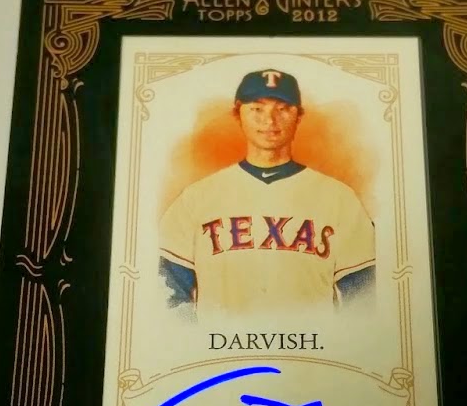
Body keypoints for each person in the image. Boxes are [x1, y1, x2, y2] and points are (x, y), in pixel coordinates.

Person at [158, 69, 375, 317]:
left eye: (282, 108)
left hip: (309, 339)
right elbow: (168, 292)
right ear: (238, 114)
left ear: (299, 116)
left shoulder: (340, 199)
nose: (270, 120)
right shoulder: (196, 198)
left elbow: (363, 300)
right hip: (223, 339)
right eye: (257, 108)